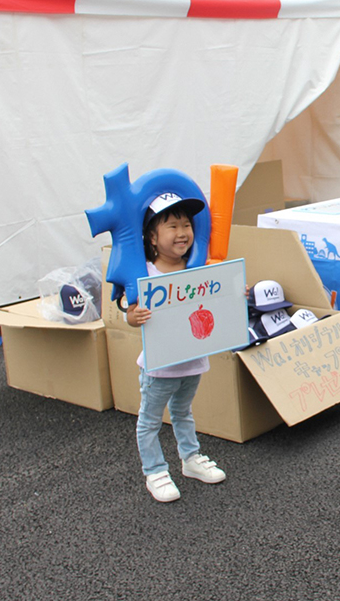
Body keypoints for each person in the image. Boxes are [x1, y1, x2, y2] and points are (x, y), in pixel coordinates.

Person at [126, 193, 227, 503]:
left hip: (192, 361)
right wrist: (134, 315)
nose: (182, 232)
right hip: (159, 366)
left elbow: (217, 298)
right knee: (150, 420)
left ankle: (190, 459)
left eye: (187, 224)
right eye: (172, 226)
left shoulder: (198, 266)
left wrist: (234, 288)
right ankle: (155, 471)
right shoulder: (145, 272)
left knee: (183, 412)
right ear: (153, 238)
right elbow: (128, 309)